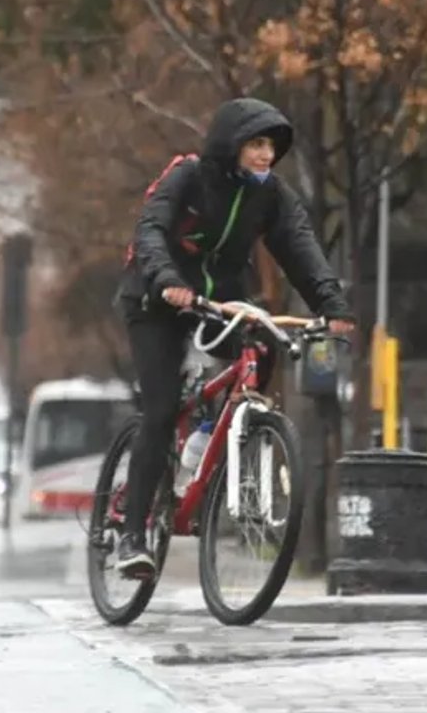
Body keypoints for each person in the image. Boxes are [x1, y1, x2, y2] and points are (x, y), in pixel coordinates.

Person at [113, 97, 356, 578]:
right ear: (232, 144)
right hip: (156, 300)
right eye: (257, 144)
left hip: (220, 300)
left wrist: (331, 304)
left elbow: (300, 246)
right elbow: (152, 229)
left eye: (273, 147)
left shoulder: (271, 195)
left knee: (262, 346)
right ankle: (132, 535)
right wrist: (166, 281)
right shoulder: (187, 176)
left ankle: (207, 433)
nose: (267, 155)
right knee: (160, 411)